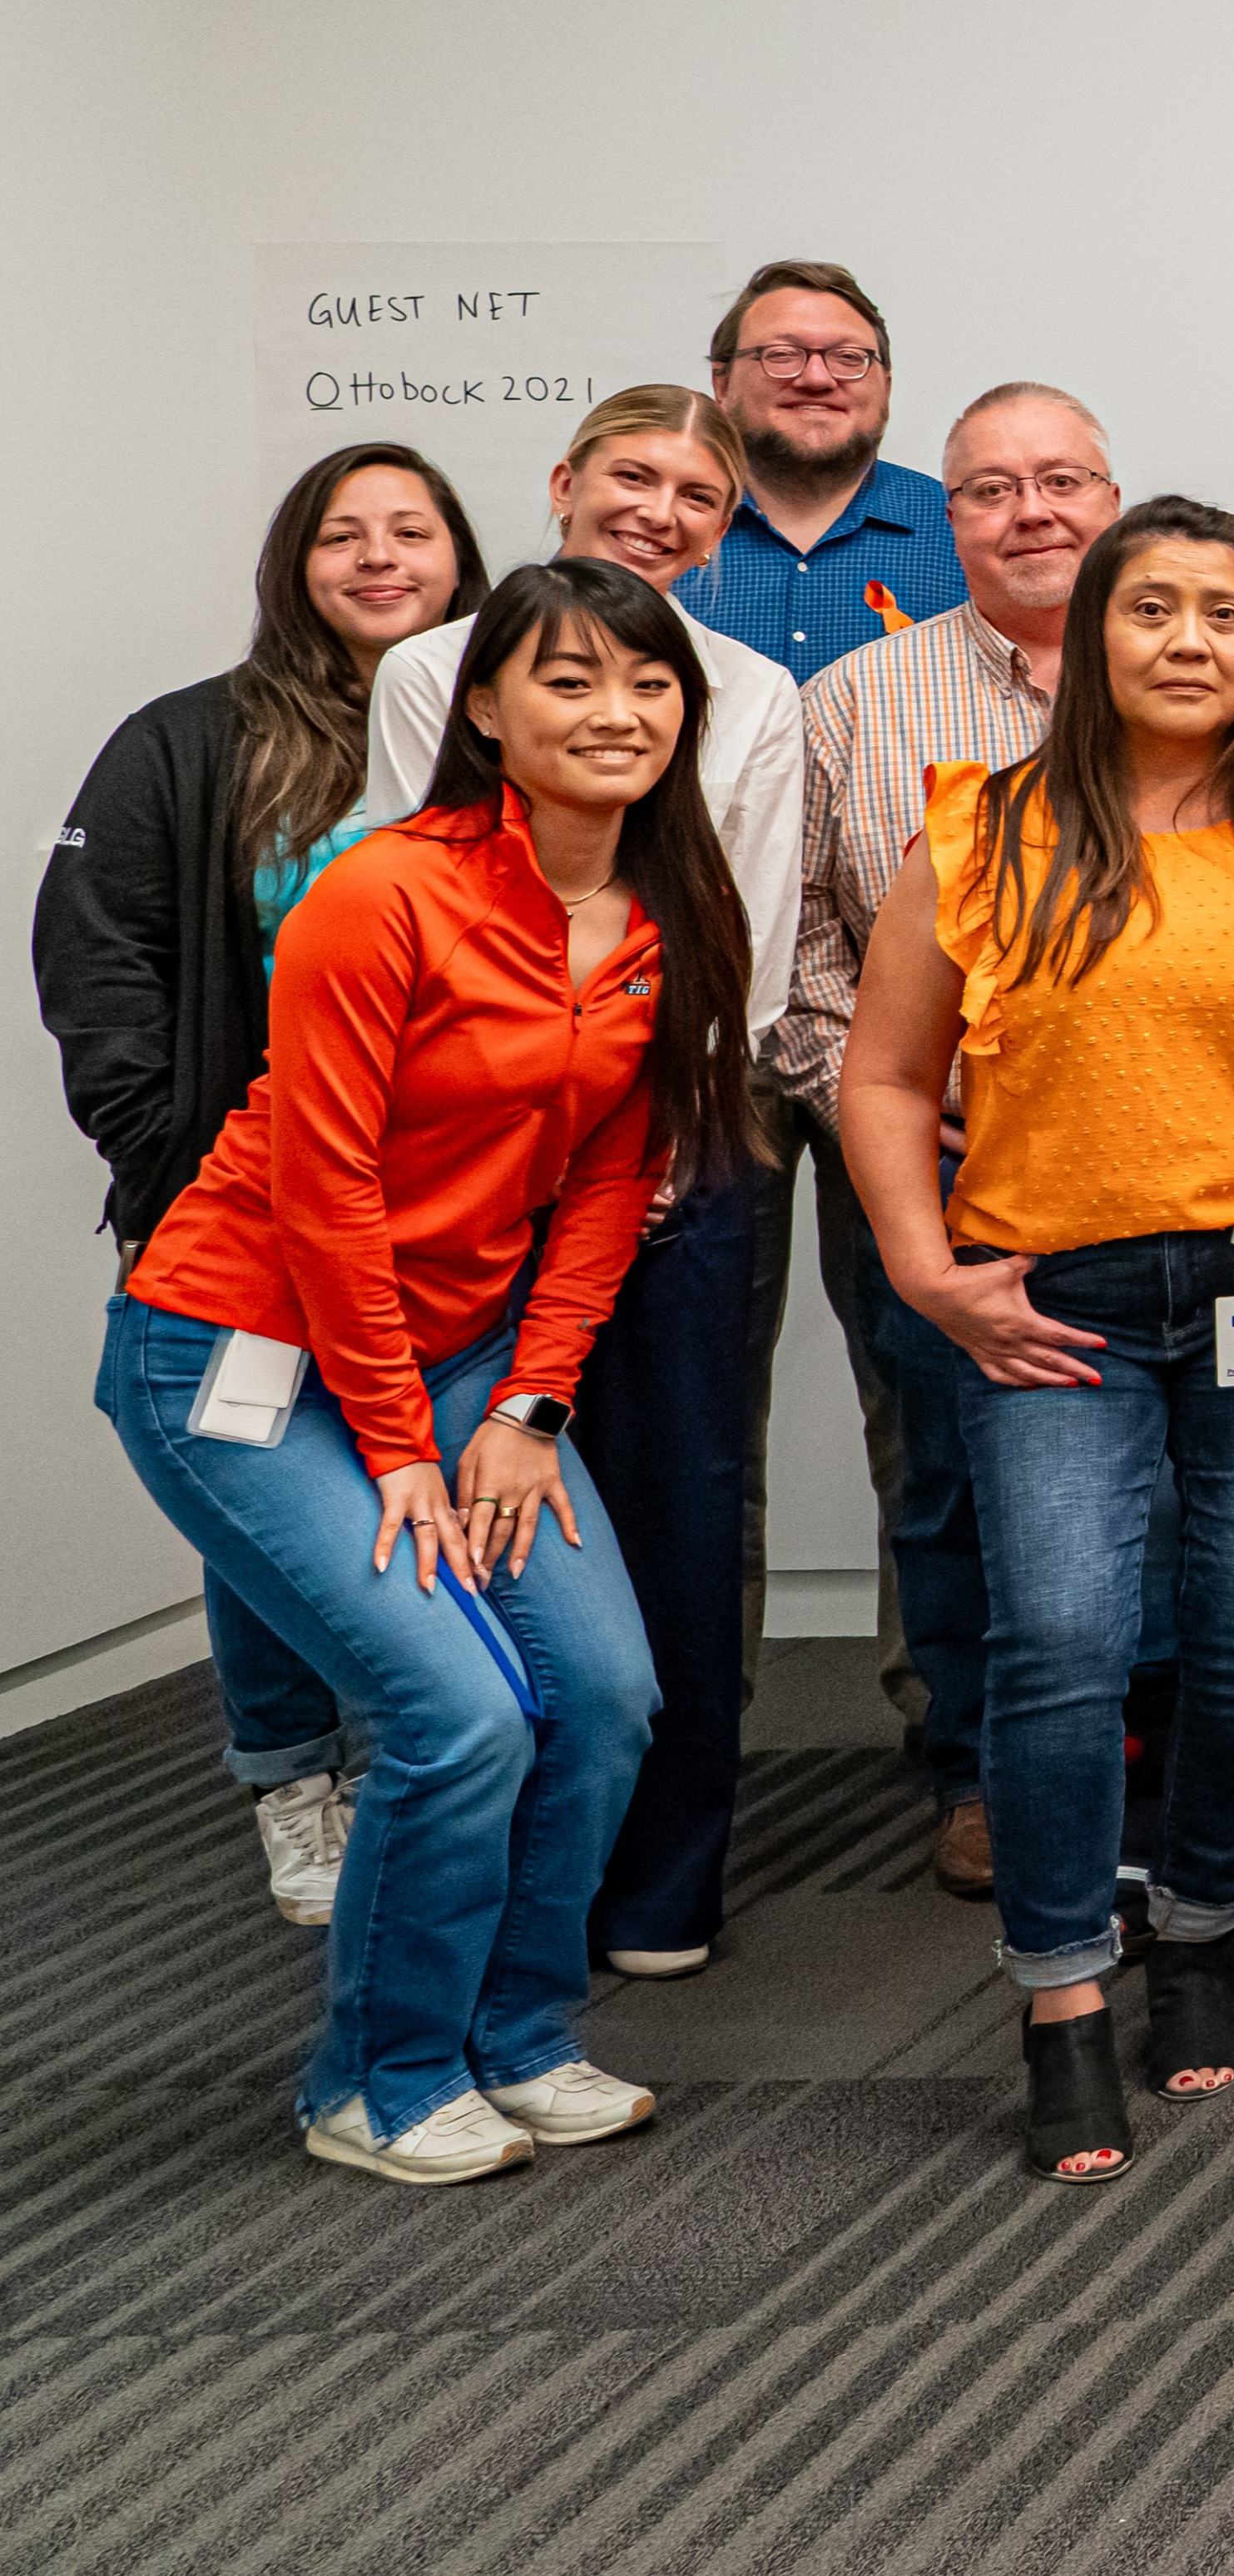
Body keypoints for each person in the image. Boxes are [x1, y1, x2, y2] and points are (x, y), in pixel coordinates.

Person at [102, 556, 749, 2182]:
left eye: (649, 681)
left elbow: (611, 1179)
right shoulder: (384, 887)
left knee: (602, 1690)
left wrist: (527, 1406)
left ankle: (520, 2035)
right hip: (240, 1346)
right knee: (456, 1709)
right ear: (483, 706)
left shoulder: (666, 909)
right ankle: (374, 2076)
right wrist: (400, 1446)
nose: (617, 711)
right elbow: (323, 1185)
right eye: (571, 678)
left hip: (459, 1349)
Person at [839, 502, 1234, 2182]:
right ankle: (1060, 1992)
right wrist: (926, 1266)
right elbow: (886, 1077)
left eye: (1222, 615)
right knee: (1060, 1636)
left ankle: (1194, 1929)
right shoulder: (977, 832)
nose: (1189, 639)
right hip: (1052, 1306)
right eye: (1153, 609)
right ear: (1091, 634)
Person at [361, 386, 806, 1981]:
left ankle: (659, 1886)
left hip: (668, 1130)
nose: (662, 511)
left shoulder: (750, 689)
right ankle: (476, 1875)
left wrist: (640, 1104)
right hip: (469, 1152)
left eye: (700, 492)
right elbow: (428, 879)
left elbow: (731, 938)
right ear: (563, 483)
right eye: (635, 476)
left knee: (683, 1504)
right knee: (463, 1497)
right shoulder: (437, 666)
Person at [40, 441, 474, 1924]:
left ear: (459, 557)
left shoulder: (497, 737)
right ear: (295, 563)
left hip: (448, 1214)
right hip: (243, 1208)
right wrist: (164, 1155)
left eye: (410, 531)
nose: (379, 558)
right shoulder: (190, 740)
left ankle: (434, 1753)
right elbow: (97, 956)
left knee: (412, 1485)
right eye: (343, 534)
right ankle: (295, 1778)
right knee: (264, 1492)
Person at [786, 386, 1126, 1897]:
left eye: (1063, 481)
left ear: (1113, 499)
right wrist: (909, 1117)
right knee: (938, 1475)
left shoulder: (1189, 677)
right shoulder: (856, 701)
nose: (1031, 512)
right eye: (991, 489)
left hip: (1150, 1173)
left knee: (1163, 1472)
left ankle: (1151, 1755)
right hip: (926, 1170)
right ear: (949, 519)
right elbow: (797, 952)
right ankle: (978, 1767)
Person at [681, 259, 967, 675]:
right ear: (721, 384)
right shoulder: (657, 530)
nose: (817, 378)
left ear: (885, 385)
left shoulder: (967, 530)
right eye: (781, 355)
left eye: (849, 358)